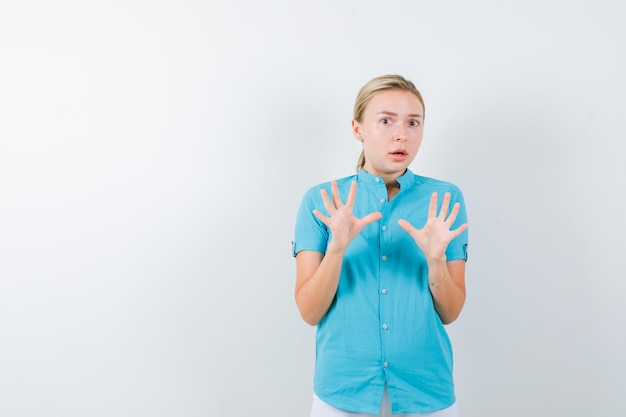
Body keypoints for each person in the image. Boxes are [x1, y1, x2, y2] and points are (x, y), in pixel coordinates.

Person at [292, 74, 469, 417]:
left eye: (413, 122)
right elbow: (309, 310)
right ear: (357, 128)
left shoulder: (444, 200)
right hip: (342, 393)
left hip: (426, 392)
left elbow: (451, 312)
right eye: (386, 120)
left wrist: (435, 260)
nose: (401, 133)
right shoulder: (322, 201)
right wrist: (337, 250)